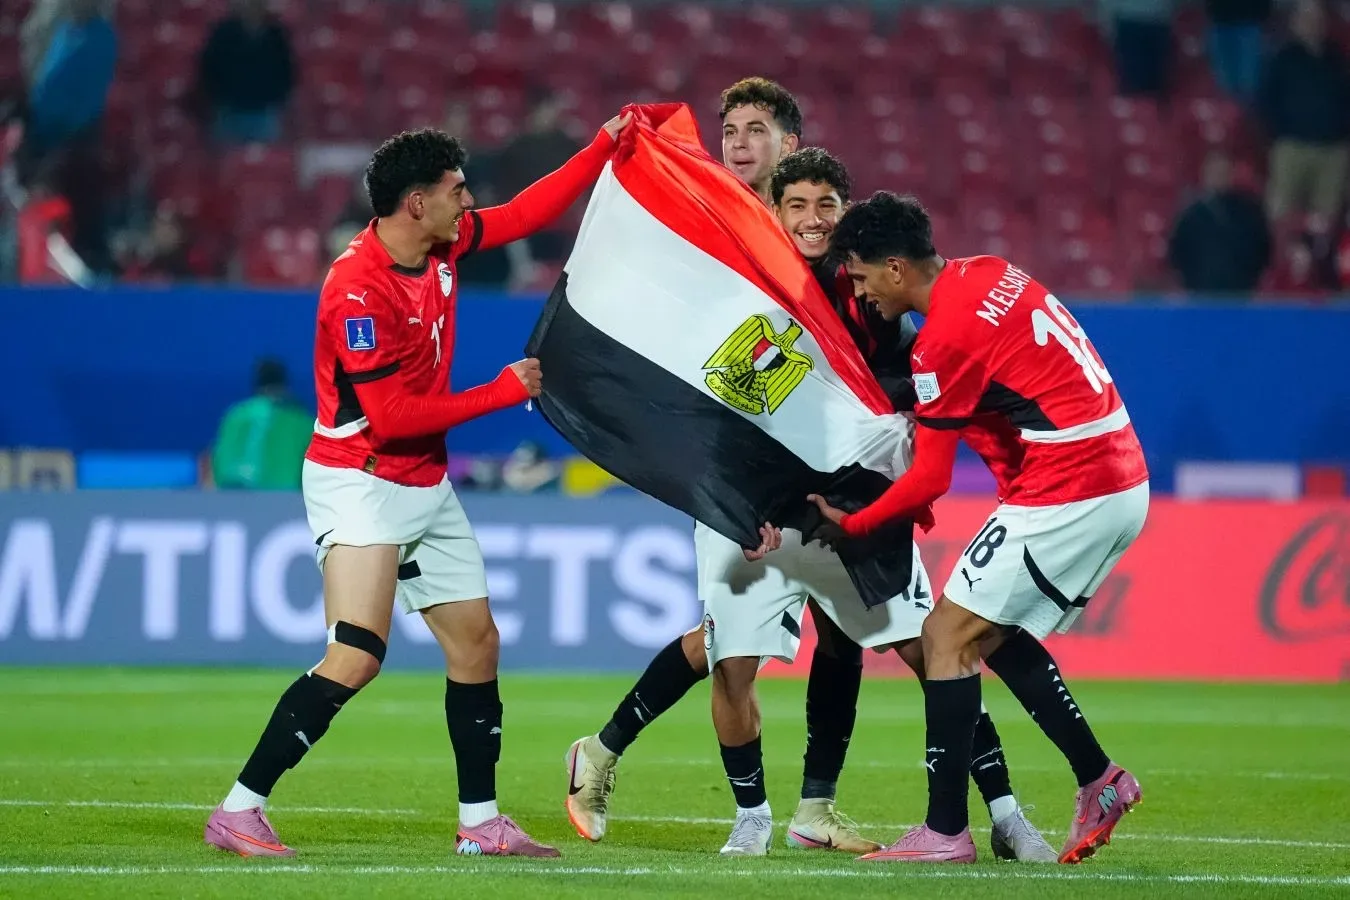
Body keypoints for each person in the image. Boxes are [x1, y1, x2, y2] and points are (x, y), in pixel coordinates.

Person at [564, 106, 1053, 861]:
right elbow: (715, 404)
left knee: (933, 649)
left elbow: (909, 385)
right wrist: (737, 503)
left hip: (844, 505)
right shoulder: (743, 283)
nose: (815, 218)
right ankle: (750, 817)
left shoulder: (869, 293)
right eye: (798, 205)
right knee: (730, 659)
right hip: (753, 505)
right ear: (778, 210)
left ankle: (1005, 814)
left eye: (827, 204)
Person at [203, 111, 632, 859]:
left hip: (423, 482)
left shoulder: (442, 243)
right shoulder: (357, 290)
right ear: (417, 202)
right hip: (361, 482)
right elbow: (391, 417)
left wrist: (602, 147)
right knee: (356, 654)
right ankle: (239, 810)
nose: (470, 203)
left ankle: (480, 823)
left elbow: (524, 215)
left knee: (476, 644)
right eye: (458, 190)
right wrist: (500, 392)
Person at [810, 192, 1148, 864]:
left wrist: (857, 523)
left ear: (897, 268)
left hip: (1073, 485)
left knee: (944, 635)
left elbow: (931, 478)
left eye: (864, 276)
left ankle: (944, 833)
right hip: (1117, 474)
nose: (862, 291)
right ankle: (1099, 779)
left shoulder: (942, 339)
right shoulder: (991, 271)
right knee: (989, 633)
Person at [210, 358, 313, 490]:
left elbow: (212, 459)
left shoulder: (235, 415)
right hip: (282, 496)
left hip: (229, 493)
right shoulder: (302, 421)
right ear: (285, 386)